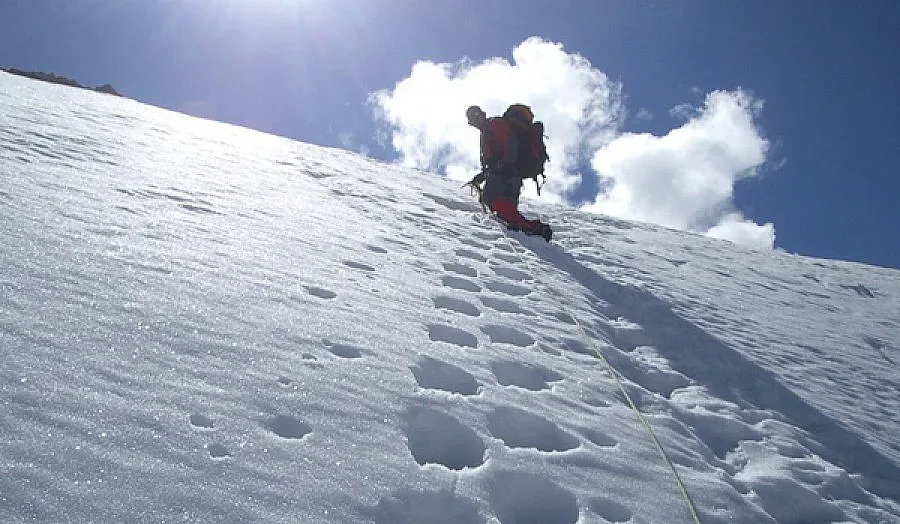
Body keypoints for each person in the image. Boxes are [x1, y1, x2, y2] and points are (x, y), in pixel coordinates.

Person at [465, 104, 552, 241]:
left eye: (475, 115)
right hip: (512, 174)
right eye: (472, 118)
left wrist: (504, 164)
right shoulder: (489, 129)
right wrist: (482, 175)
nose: (475, 119)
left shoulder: (494, 124)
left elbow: (510, 143)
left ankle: (530, 228)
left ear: (482, 114)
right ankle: (533, 230)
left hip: (505, 173)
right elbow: (493, 159)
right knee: (507, 209)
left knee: (491, 197)